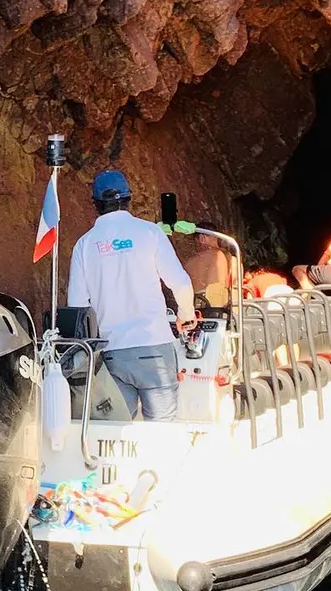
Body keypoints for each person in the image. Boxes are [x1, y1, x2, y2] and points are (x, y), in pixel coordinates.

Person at [68, 170, 195, 422]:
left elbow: (77, 306)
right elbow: (180, 282)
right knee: (162, 428)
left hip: (112, 351)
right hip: (154, 346)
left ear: (95, 203)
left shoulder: (84, 245)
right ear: (128, 199)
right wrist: (186, 315)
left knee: (117, 429)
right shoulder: (149, 233)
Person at [183, 222, 234, 310]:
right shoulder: (221, 256)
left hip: (193, 308)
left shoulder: (189, 263)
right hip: (214, 308)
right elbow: (220, 287)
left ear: (202, 238)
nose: (196, 245)